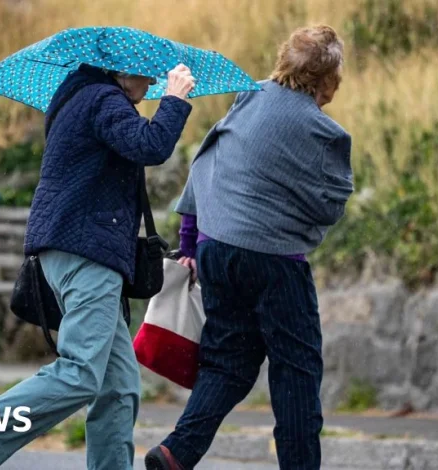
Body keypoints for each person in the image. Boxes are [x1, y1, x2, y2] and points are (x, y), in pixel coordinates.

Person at [0, 62, 196, 470]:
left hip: (76, 250)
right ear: (121, 72)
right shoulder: (104, 99)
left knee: (118, 388)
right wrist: (175, 100)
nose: (151, 85)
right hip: (88, 255)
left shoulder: (82, 96)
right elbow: (151, 146)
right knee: (81, 372)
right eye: (146, 77)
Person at [144, 25, 353, 470]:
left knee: (227, 364)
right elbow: (330, 205)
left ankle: (176, 453)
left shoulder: (249, 95)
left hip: (217, 250)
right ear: (328, 79)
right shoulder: (325, 132)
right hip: (275, 263)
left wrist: (191, 242)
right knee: (296, 374)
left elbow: (207, 160)